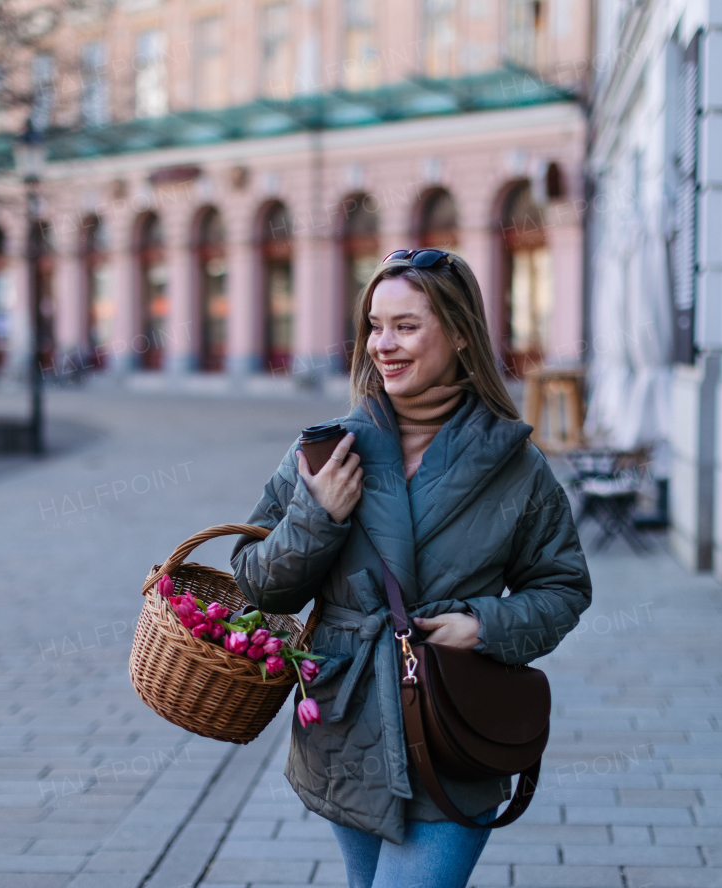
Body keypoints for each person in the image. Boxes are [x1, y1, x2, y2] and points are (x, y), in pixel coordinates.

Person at [231, 249, 592, 888]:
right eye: (375, 325)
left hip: (454, 724)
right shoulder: (326, 451)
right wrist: (317, 518)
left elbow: (562, 587)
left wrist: (481, 626)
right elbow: (257, 585)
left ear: (459, 334)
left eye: (406, 326)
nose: (383, 345)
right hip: (347, 727)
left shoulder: (515, 465)